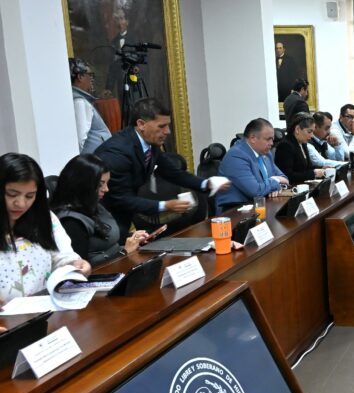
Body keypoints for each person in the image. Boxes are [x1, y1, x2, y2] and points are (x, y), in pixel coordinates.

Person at [95, 97, 227, 242]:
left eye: (168, 125)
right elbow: (122, 198)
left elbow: (173, 173)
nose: (167, 131)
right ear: (141, 124)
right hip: (103, 219)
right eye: (162, 126)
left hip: (122, 216)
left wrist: (206, 184)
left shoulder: (150, 143)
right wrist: (166, 205)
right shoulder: (117, 153)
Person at [1, 153, 91, 305]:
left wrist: (76, 265)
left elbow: (62, 256)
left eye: (29, 196)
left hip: (45, 309)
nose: (21, 204)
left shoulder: (44, 218)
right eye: (12, 194)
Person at [51, 154, 155, 265]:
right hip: (106, 272)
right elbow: (81, 269)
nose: (106, 189)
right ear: (83, 184)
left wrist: (133, 240)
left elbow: (109, 239)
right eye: (100, 184)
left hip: (119, 263)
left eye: (107, 183)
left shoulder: (92, 205)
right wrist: (124, 252)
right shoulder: (71, 222)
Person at [215, 118, 289, 212]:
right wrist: (276, 180)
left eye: (272, 139)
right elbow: (256, 191)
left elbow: (284, 178)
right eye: (268, 139)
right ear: (253, 138)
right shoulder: (236, 156)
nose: (271, 143)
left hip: (260, 206)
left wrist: (276, 187)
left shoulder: (266, 154)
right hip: (235, 211)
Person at [70, 58, 111, 154]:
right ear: (80, 77)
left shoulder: (77, 98)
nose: (92, 79)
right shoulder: (79, 101)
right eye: (90, 75)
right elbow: (80, 139)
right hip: (94, 159)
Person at [275, 112, 327, 185]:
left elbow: (307, 167)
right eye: (309, 132)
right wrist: (314, 173)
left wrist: (322, 168)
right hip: (292, 187)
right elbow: (288, 175)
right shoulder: (285, 146)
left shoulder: (302, 143)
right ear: (297, 129)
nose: (312, 135)